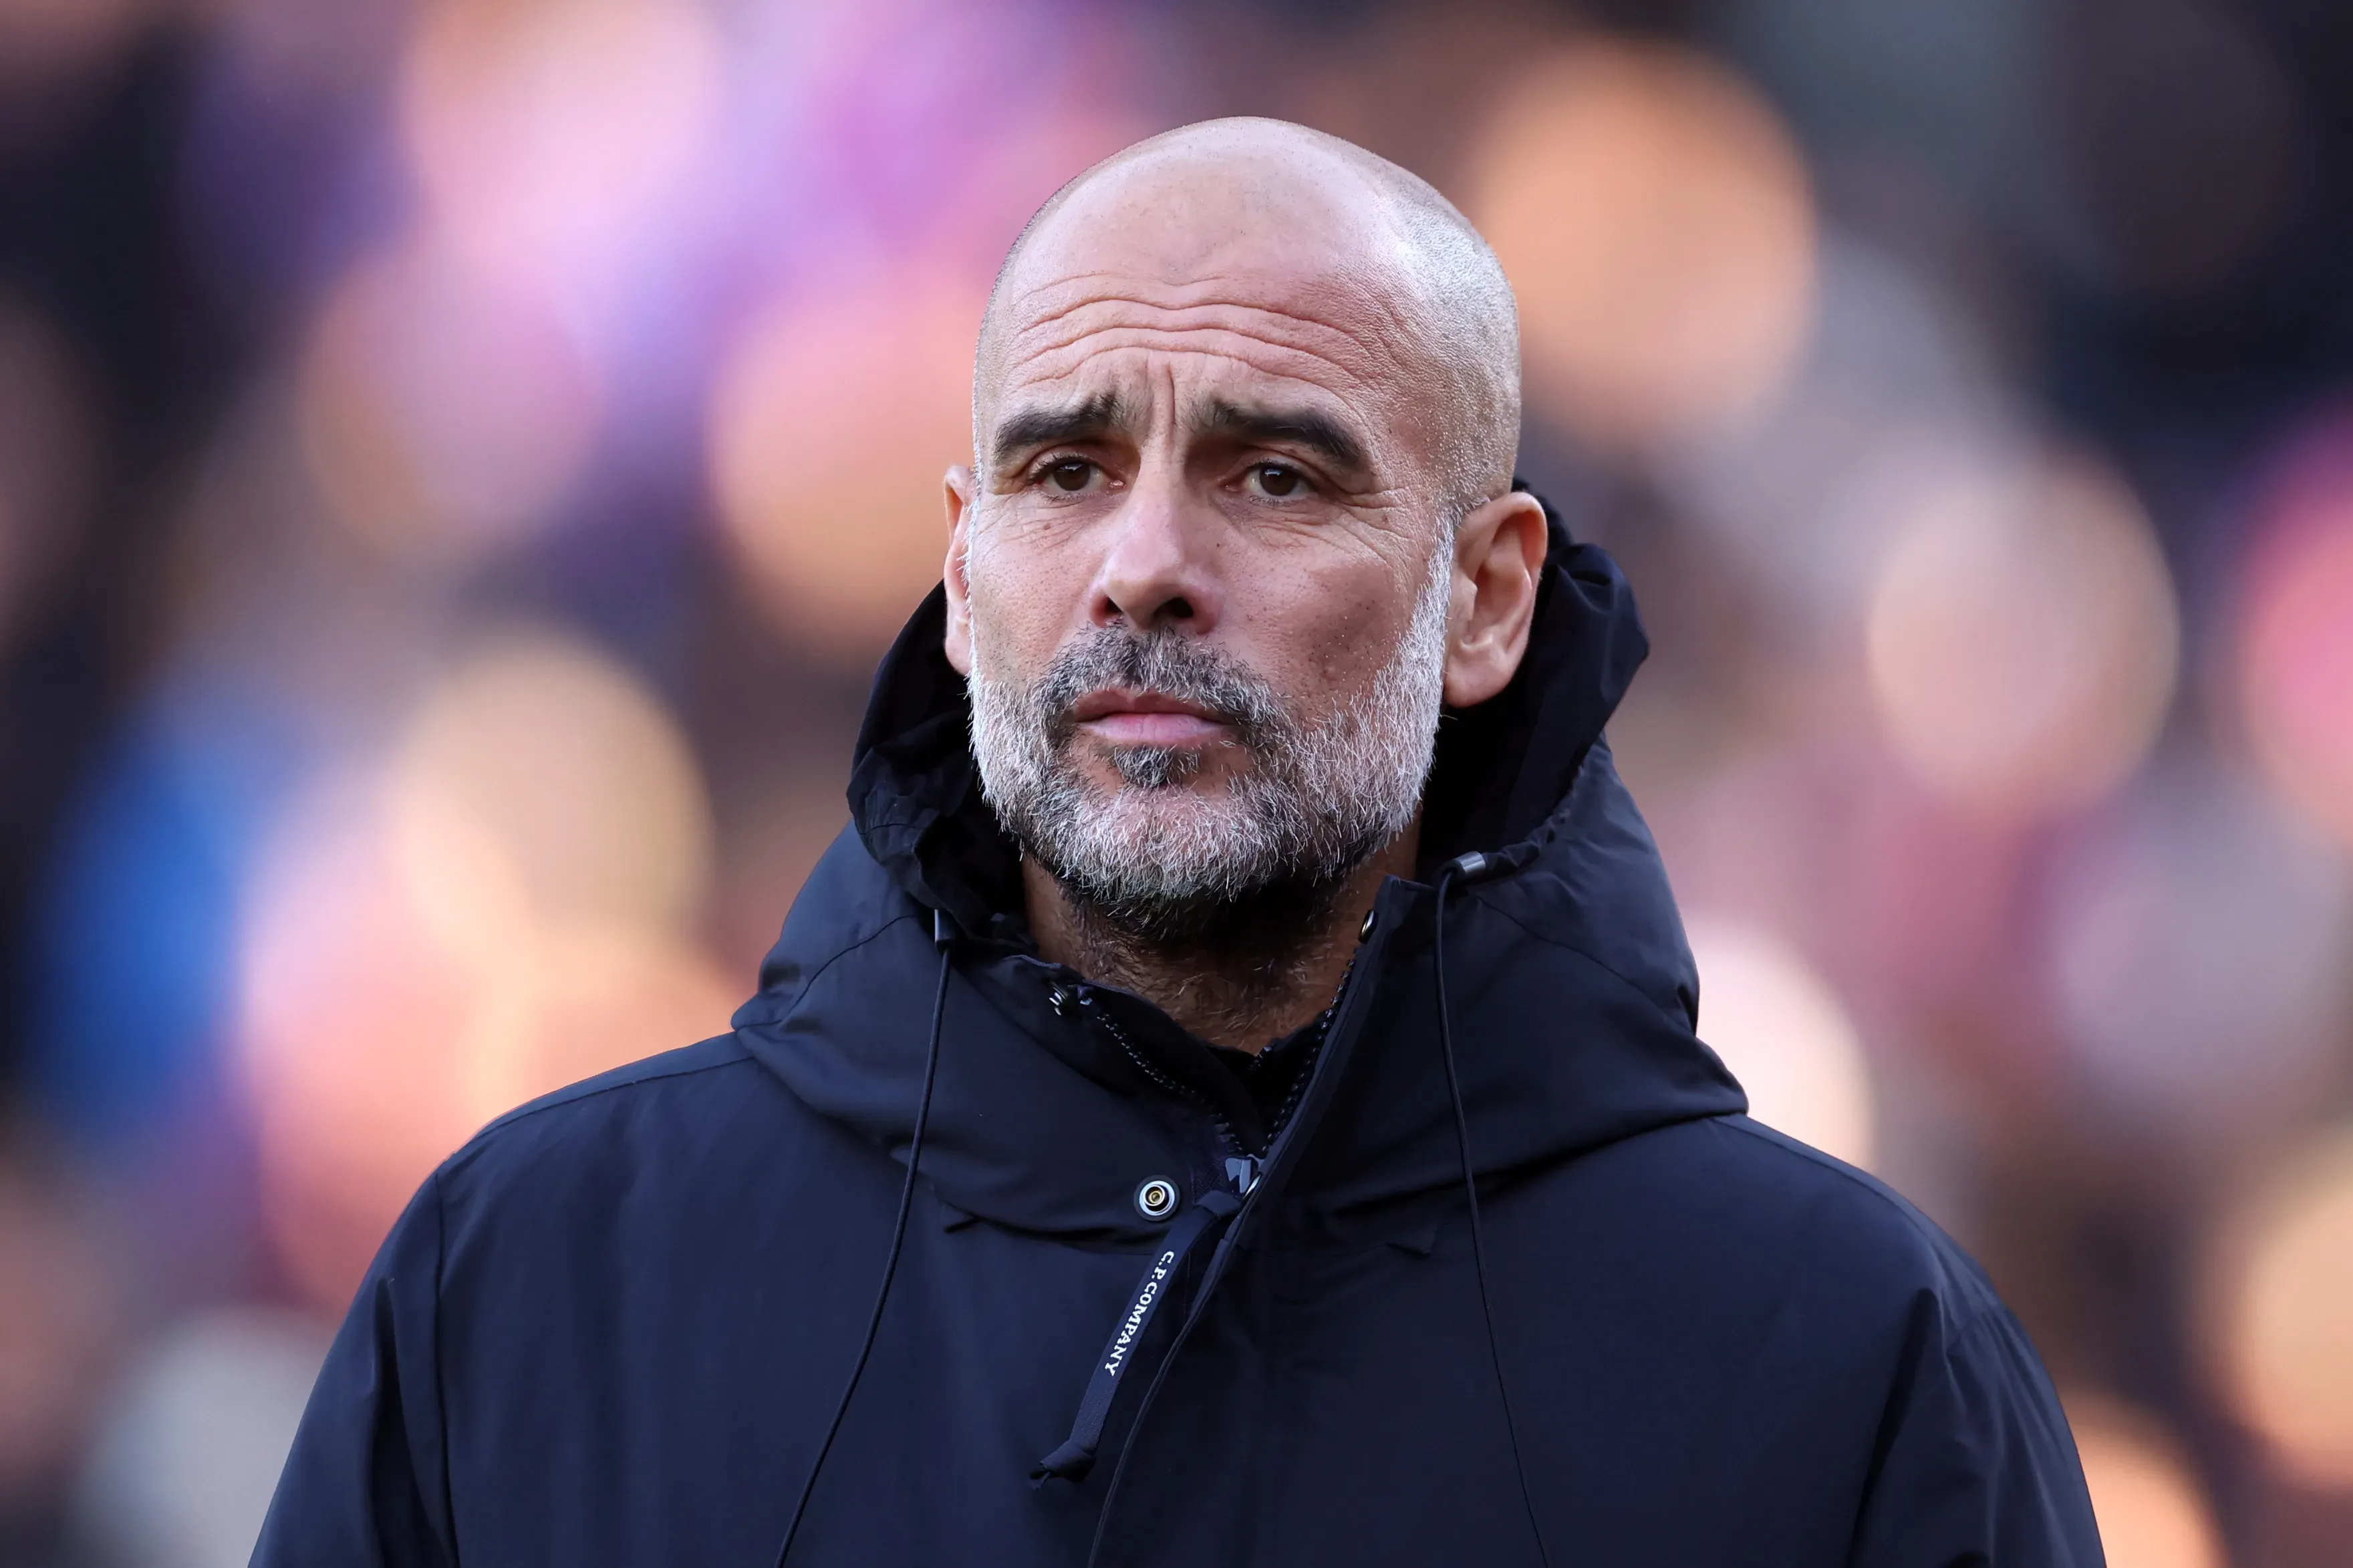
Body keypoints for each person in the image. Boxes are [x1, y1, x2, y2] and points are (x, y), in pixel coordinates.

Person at [254, 119, 2104, 1567]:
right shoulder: (536, 1282)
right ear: (965, 578)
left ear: (1487, 597)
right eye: (1067, 471)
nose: (1145, 560)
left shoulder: (1849, 1363)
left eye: (1273, 473)